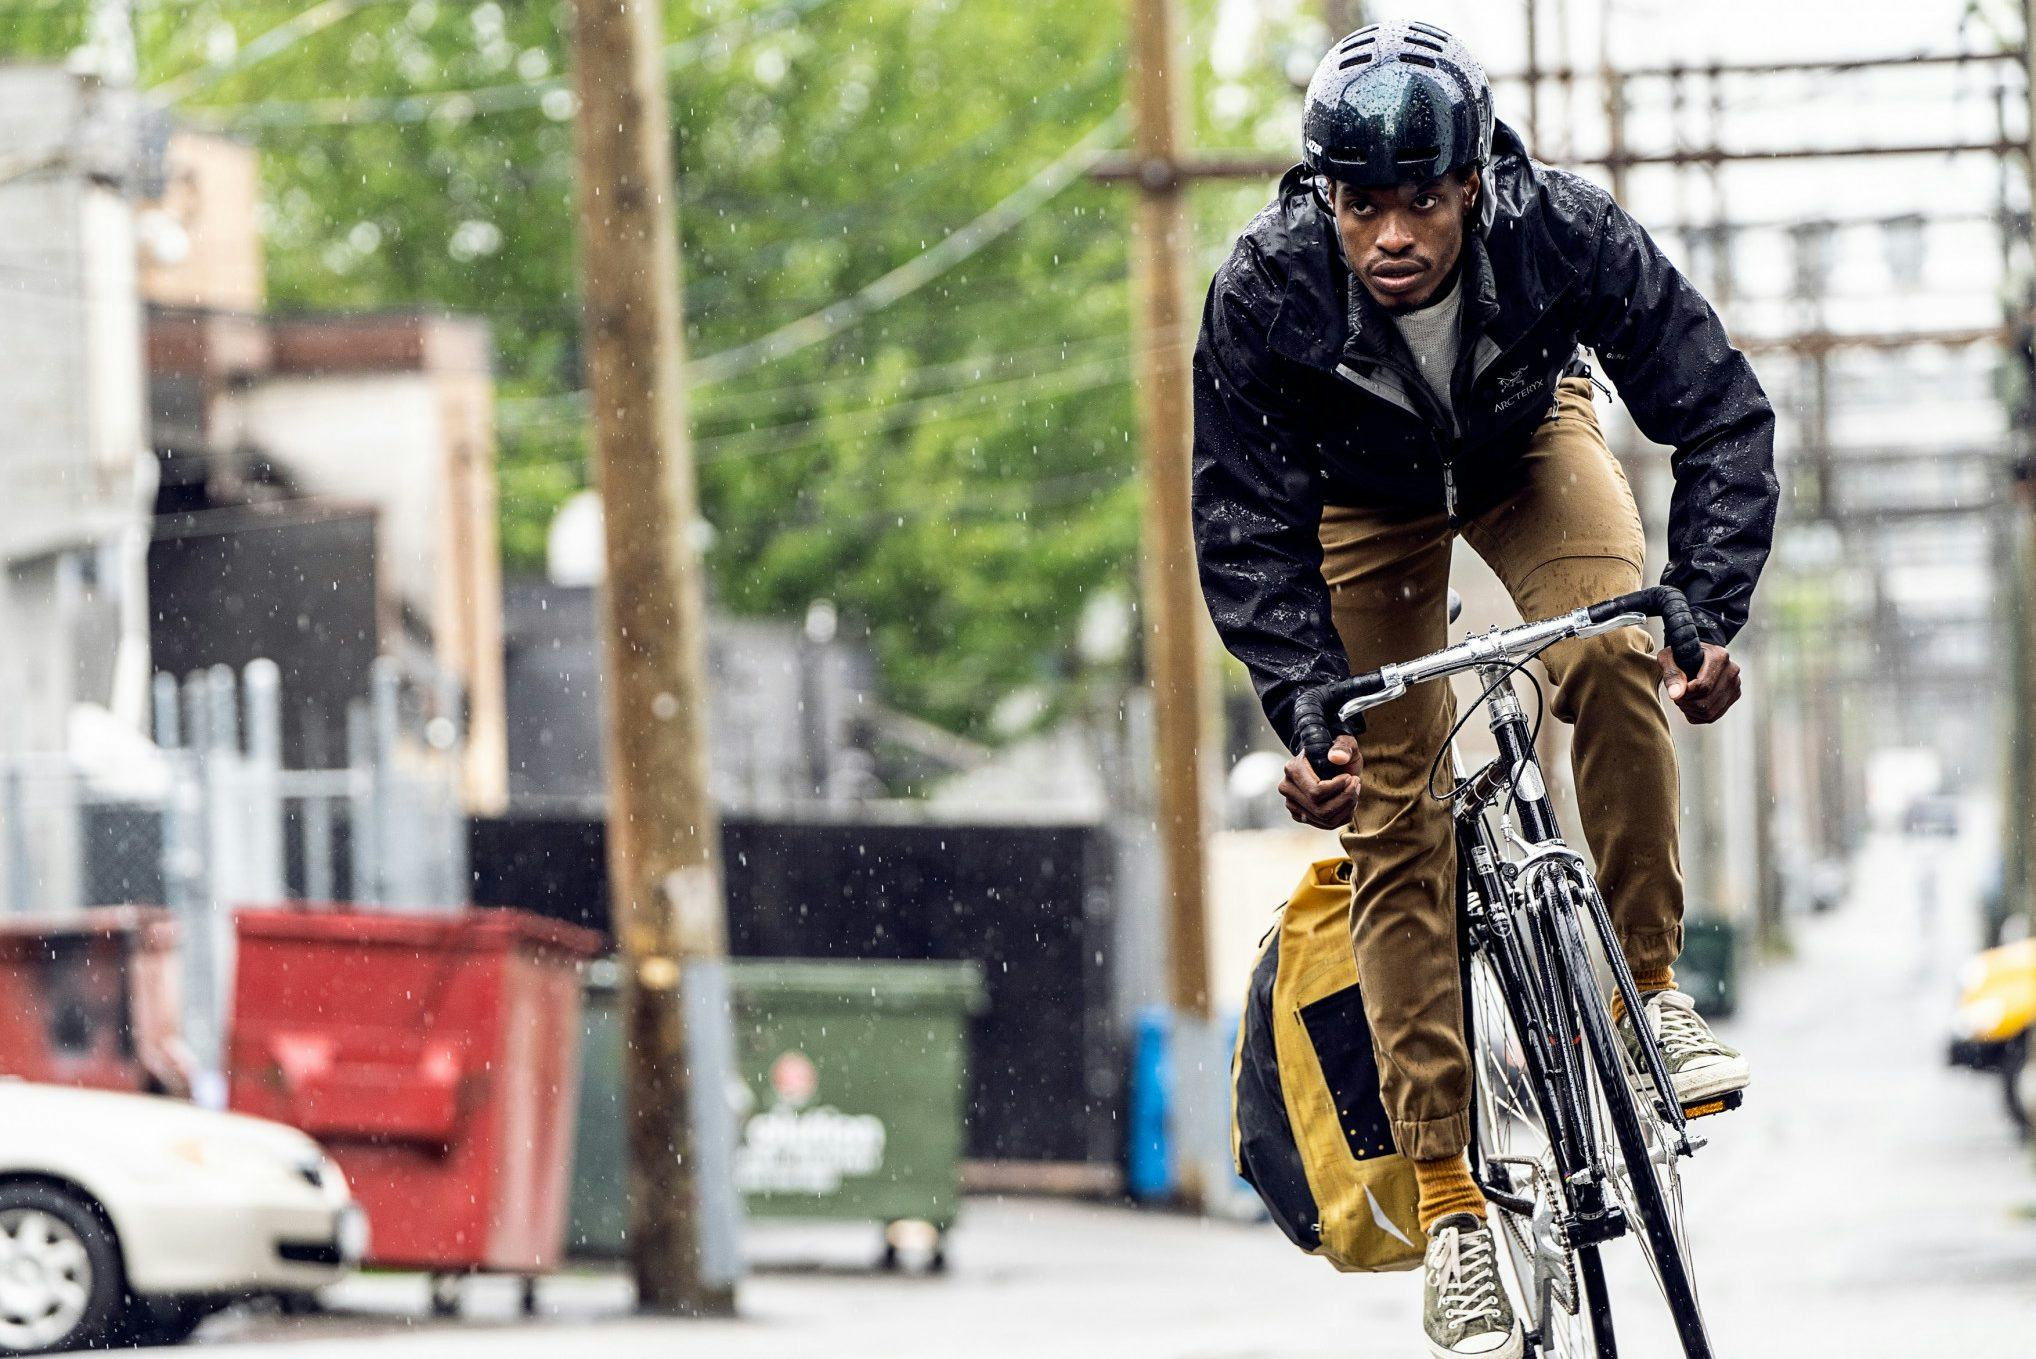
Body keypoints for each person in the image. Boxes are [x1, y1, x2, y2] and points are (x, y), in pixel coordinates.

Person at [1190, 19, 1776, 1358]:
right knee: (1392, 812)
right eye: (1360, 207)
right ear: (1324, 196)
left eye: (1421, 202)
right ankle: (1454, 1207)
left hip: (1526, 446)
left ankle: (1650, 994)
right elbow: (1243, 523)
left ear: (1475, 182)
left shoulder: (1563, 231)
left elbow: (1720, 411)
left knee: (1609, 648)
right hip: (1359, 499)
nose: (1390, 235)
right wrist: (1304, 703)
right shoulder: (1269, 287)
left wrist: (1705, 608)